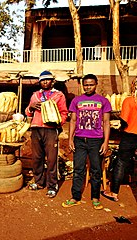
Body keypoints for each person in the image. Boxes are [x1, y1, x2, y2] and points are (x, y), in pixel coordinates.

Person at [62, 74, 111, 210]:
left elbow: (106, 122)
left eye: (91, 84)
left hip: (96, 141)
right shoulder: (76, 101)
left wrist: (105, 142)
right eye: (86, 84)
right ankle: (75, 197)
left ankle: (95, 197)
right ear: (82, 85)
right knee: (78, 169)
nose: (88, 87)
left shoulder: (103, 101)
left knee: (96, 170)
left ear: (96, 85)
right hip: (79, 140)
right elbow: (72, 120)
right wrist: (70, 138)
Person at [25, 70, 68, 198]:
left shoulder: (59, 95)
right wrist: (31, 107)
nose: (45, 82)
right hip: (36, 128)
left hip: (50, 129)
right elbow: (28, 113)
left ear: (52, 81)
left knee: (51, 159)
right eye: (42, 80)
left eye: (47, 80)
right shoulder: (35, 96)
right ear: (39, 82)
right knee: (37, 158)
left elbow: (64, 113)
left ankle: (52, 186)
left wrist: (57, 121)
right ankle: (38, 182)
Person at [101, 78, 137, 202]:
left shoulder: (129, 101)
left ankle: (114, 193)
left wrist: (121, 128)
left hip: (130, 135)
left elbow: (124, 120)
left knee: (121, 162)